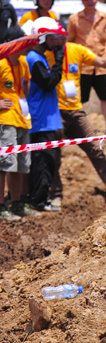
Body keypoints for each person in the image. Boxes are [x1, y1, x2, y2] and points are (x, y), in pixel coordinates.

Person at [45, 17, 106, 205]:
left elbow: (100, 61)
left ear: (66, 36)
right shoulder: (43, 55)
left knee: (95, 148)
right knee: (54, 155)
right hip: (54, 113)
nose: (58, 41)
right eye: (54, 37)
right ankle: (55, 195)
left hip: (76, 111)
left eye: (60, 37)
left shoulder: (76, 50)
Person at [24, 18, 65, 212]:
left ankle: (40, 198)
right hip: (40, 119)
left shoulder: (39, 58)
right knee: (43, 160)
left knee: (47, 159)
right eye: (51, 38)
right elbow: (48, 82)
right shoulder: (34, 58)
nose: (56, 42)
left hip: (47, 118)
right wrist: (59, 63)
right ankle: (38, 200)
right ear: (41, 38)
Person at [66, 0, 106, 131]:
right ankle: (79, 127)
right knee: (80, 99)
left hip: (102, 66)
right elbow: (70, 41)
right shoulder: (74, 19)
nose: (89, 1)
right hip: (83, 66)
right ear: (82, 1)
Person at [0, 26, 33, 221]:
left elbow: (26, 82)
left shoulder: (23, 62)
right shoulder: (1, 64)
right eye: (23, 42)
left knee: (21, 165)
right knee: (4, 165)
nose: (27, 46)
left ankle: (17, 203)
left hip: (22, 118)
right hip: (5, 120)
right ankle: (1, 207)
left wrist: (24, 101)